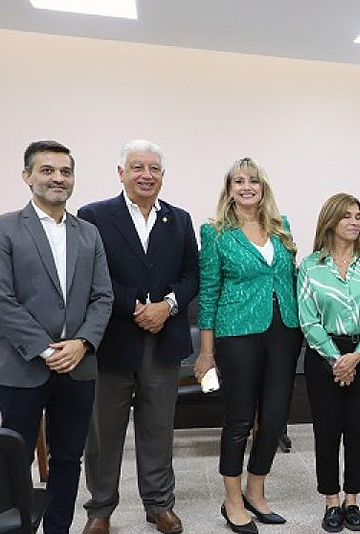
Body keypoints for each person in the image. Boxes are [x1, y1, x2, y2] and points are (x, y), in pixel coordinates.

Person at [79, 140, 199, 534]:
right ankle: (100, 509)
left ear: (162, 175)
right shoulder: (94, 216)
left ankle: (159, 505)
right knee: (104, 433)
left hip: (164, 342)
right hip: (112, 341)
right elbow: (90, 274)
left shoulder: (179, 219)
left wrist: (168, 306)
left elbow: (192, 275)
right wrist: (133, 306)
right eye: (137, 167)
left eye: (154, 169)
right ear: (121, 173)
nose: (146, 175)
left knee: (158, 429)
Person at [0, 141, 113, 534]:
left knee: (68, 459)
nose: (58, 178)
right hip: (23, 367)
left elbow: (103, 297)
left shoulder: (89, 234)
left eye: (65, 171)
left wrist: (82, 343)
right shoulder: (6, 228)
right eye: (47, 170)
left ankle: (58, 529)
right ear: (27, 176)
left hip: (78, 367)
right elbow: (3, 300)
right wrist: (46, 350)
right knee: (15, 459)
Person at [194, 158, 302, 533]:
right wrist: (206, 352)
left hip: (284, 330)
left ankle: (256, 492)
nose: (246, 187)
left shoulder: (281, 226)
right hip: (237, 333)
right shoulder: (215, 233)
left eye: (253, 180)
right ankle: (232, 500)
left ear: (262, 187)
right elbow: (208, 293)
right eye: (238, 181)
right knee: (240, 419)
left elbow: (291, 277)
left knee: (274, 418)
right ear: (229, 189)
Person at [297, 193, 360, 532]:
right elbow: (308, 320)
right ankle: (331, 501)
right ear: (331, 221)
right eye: (347, 216)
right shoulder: (310, 266)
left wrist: (357, 356)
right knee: (327, 430)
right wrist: (338, 360)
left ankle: (352, 499)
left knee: (358, 429)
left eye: (358, 216)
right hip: (325, 356)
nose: (354, 222)